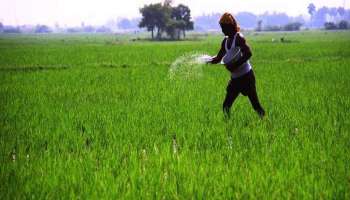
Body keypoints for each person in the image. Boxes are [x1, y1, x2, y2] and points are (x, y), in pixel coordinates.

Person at [208, 12, 265, 118]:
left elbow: (248, 53)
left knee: (256, 106)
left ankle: (266, 123)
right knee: (226, 106)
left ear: (230, 26)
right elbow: (219, 58)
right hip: (235, 79)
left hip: (246, 77)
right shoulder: (225, 41)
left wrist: (235, 66)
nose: (222, 30)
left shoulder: (238, 38)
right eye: (221, 28)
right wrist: (208, 60)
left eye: (224, 27)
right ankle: (228, 127)